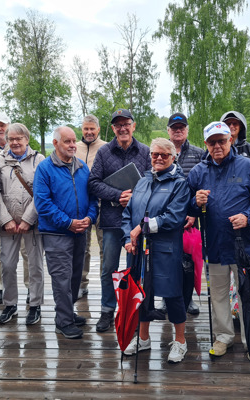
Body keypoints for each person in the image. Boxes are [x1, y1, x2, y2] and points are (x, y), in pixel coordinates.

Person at [187, 121, 250, 362]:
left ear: (230, 140)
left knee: (249, 295)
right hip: (213, 245)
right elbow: (187, 208)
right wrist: (196, 202)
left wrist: (248, 217)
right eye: (212, 142)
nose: (217, 146)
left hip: (244, 245)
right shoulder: (197, 172)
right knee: (219, 296)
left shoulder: (247, 167)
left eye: (221, 141)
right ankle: (223, 337)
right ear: (206, 144)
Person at [122, 138, 191, 363]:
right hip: (139, 251)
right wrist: (127, 238)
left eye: (164, 154)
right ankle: (143, 338)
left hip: (166, 250)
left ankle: (179, 341)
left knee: (172, 294)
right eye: (154, 154)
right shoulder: (142, 181)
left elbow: (173, 217)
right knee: (141, 294)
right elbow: (128, 214)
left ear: (173, 157)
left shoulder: (179, 183)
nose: (158, 158)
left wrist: (141, 228)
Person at [89, 108, 152, 333]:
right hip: (112, 220)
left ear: (133, 126)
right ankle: (107, 309)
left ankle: (132, 309)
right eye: (118, 125)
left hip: (137, 223)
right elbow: (93, 182)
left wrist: (135, 197)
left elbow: (153, 182)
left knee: (135, 267)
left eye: (127, 124)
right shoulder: (104, 152)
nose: (123, 128)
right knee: (109, 267)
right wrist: (118, 195)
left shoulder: (145, 152)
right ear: (113, 129)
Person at [34, 126, 98, 339]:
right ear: (55, 143)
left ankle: (67, 312)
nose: (72, 145)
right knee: (61, 278)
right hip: (57, 234)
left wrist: (89, 218)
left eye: (73, 141)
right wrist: (68, 222)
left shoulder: (82, 168)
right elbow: (43, 204)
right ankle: (63, 322)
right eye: (67, 141)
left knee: (74, 277)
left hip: (81, 232)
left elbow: (91, 198)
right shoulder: (45, 169)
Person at [0, 123, 45, 325]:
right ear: (7, 140)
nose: (15, 142)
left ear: (27, 139)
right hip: (7, 226)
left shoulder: (38, 160)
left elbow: (42, 193)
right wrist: (5, 219)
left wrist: (27, 219)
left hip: (31, 225)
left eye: (19, 138)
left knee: (35, 266)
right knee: (7, 265)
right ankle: (10, 304)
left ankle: (35, 304)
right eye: (11, 139)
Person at [157, 112, 204, 315]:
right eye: (174, 128)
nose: (178, 131)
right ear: (168, 130)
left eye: (181, 127)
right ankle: (167, 299)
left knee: (190, 260)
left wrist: (193, 212)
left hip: (190, 217)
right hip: (166, 217)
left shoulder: (199, 153)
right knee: (167, 259)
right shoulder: (160, 152)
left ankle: (189, 297)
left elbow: (203, 184)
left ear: (187, 130)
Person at [0, 112, 29, 306]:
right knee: (4, 257)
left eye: (2, 125)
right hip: (4, 218)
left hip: (27, 217)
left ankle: (30, 289)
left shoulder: (29, 155)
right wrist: (3, 218)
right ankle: (2, 287)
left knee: (28, 255)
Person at [75, 115, 106, 299]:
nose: (88, 132)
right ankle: (81, 283)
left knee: (105, 247)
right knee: (82, 247)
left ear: (98, 130)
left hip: (102, 203)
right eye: (86, 129)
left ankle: (106, 284)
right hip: (82, 205)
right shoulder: (75, 147)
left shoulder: (106, 147)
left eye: (92, 129)